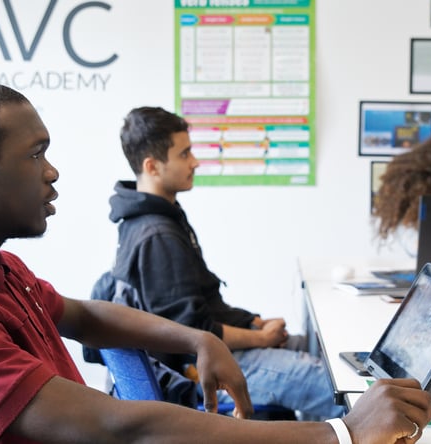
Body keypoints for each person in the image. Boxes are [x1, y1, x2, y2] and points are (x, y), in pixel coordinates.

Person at [0, 82, 431, 443]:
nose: (53, 171)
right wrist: (341, 433)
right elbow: (116, 426)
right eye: (36, 154)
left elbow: (84, 315)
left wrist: (198, 340)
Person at [107, 107, 346, 421]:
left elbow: (205, 302)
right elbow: (194, 331)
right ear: (152, 166)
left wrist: (254, 322)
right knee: (327, 383)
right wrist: (260, 338)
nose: (195, 162)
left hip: (209, 349)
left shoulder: (161, 219)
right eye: (185, 154)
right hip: (197, 369)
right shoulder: (157, 234)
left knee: (320, 348)